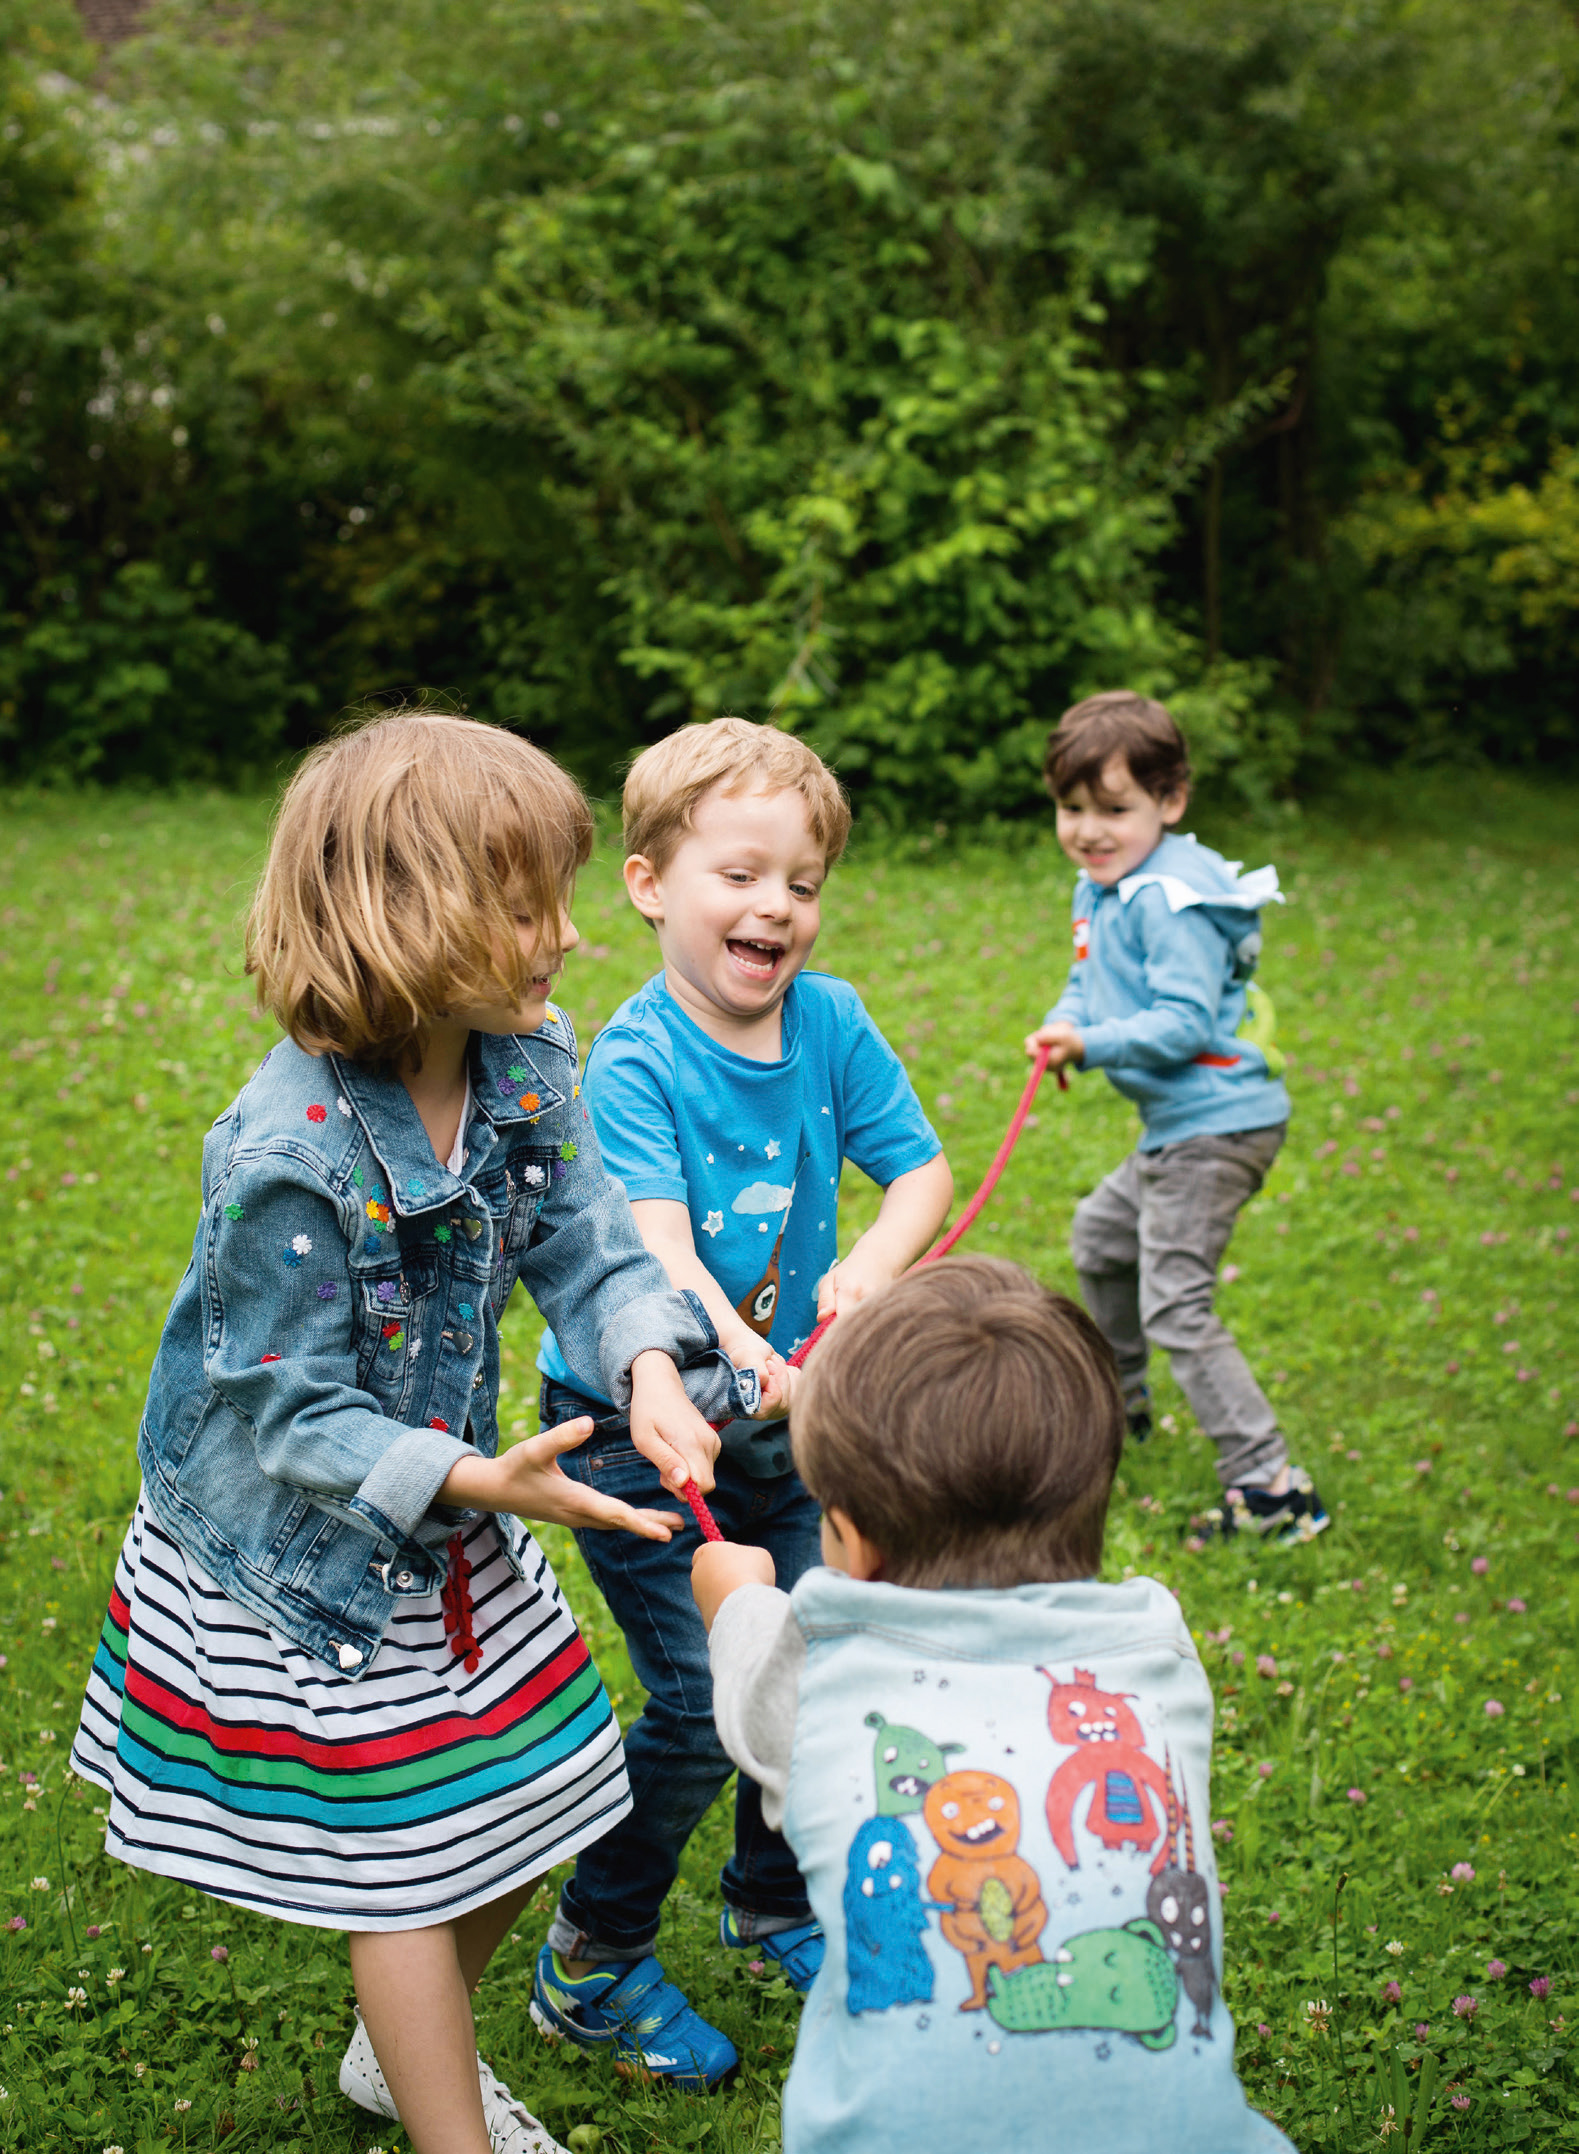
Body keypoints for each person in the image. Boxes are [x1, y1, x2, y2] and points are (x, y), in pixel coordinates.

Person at [69, 708, 757, 2154]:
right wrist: (478, 1479)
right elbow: (284, 1405)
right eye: (526, 906)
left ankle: (405, 2043)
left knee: (561, 1777)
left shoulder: (523, 1059)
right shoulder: (288, 1152)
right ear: (408, 917)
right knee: (401, 1863)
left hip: (447, 1503)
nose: (566, 936)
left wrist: (640, 1362)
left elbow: (587, 1243)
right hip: (300, 1542)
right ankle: (446, 2122)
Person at [530, 718, 953, 2087]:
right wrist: (735, 1341)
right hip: (647, 1438)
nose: (775, 905)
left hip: (795, 1425)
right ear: (649, 883)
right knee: (702, 1699)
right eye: (739, 873)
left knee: (814, 1653)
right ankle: (591, 1956)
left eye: (802, 883)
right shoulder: (636, 1058)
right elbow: (646, 1245)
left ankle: (770, 1898)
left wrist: (862, 1286)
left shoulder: (827, 1021)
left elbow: (920, 1175)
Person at [692, 1256, 1296, 2154]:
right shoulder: (1156, 1654)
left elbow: (749, 1683)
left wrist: (735, 1596)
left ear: (848, 1540)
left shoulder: (821, 1674)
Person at [1023, 691, 1326, 1543]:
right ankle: (1121, 1412)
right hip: (1177, 1127)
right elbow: (1086, 982)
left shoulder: (1168, 900)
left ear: (1170, 801)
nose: (1088, 829)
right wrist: (1064, 1023)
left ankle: (1270, 1487)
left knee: (1177, 1305)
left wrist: (1094, 1041)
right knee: (1100, 1238)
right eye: (1071, 808)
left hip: (1217, 1126)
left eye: (1113, 809)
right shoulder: (1102, 887)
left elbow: (1184, 1022)